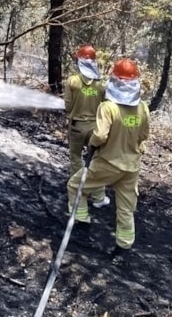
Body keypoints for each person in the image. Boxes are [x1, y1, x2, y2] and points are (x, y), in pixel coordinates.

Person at [67, 57, 150, 259]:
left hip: (108, 163)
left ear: (114, 80)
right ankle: (123, 247)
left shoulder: (108, 107)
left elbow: (100, 135)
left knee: (75, 186)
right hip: (131, 167)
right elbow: (143, 136)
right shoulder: (143, 108)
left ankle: (81, 223)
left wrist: (92, 144)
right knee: (125, 208)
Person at [64, 44, 110, 208]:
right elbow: (107, 106)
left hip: (76, 127)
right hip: (94, 129)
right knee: (96, 162)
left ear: (79, 61)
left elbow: (68, 106)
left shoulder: (72, 81)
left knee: (76, 159)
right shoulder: (100, 84)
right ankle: (98, 198)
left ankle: (76, 192)